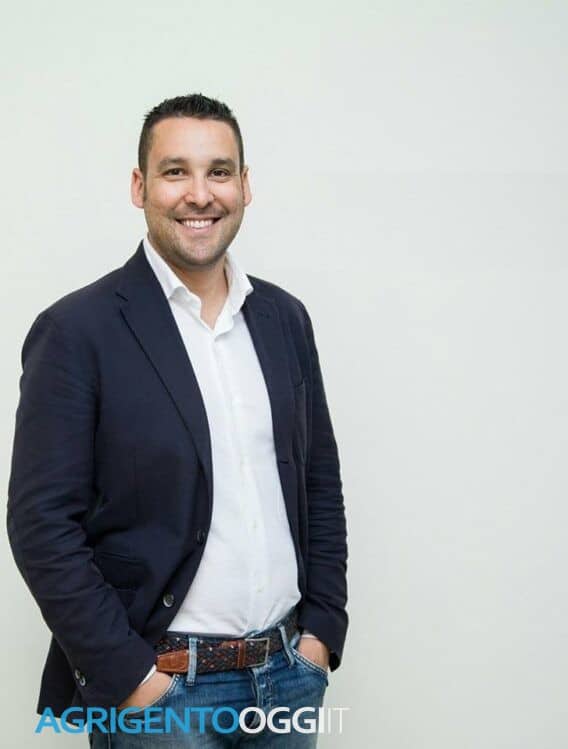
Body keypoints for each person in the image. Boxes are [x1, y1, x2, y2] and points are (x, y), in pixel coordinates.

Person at [7, 93, 348, 747]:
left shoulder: (284, 319)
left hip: (288, 677)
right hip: (163, 693)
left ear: (245, 185)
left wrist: (322, 634)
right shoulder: (78, 331)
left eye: (219, 171)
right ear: (140, 187)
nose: (200, 194)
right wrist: (132, 679)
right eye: (175, 172)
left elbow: (319, 485)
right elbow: (40, 524)